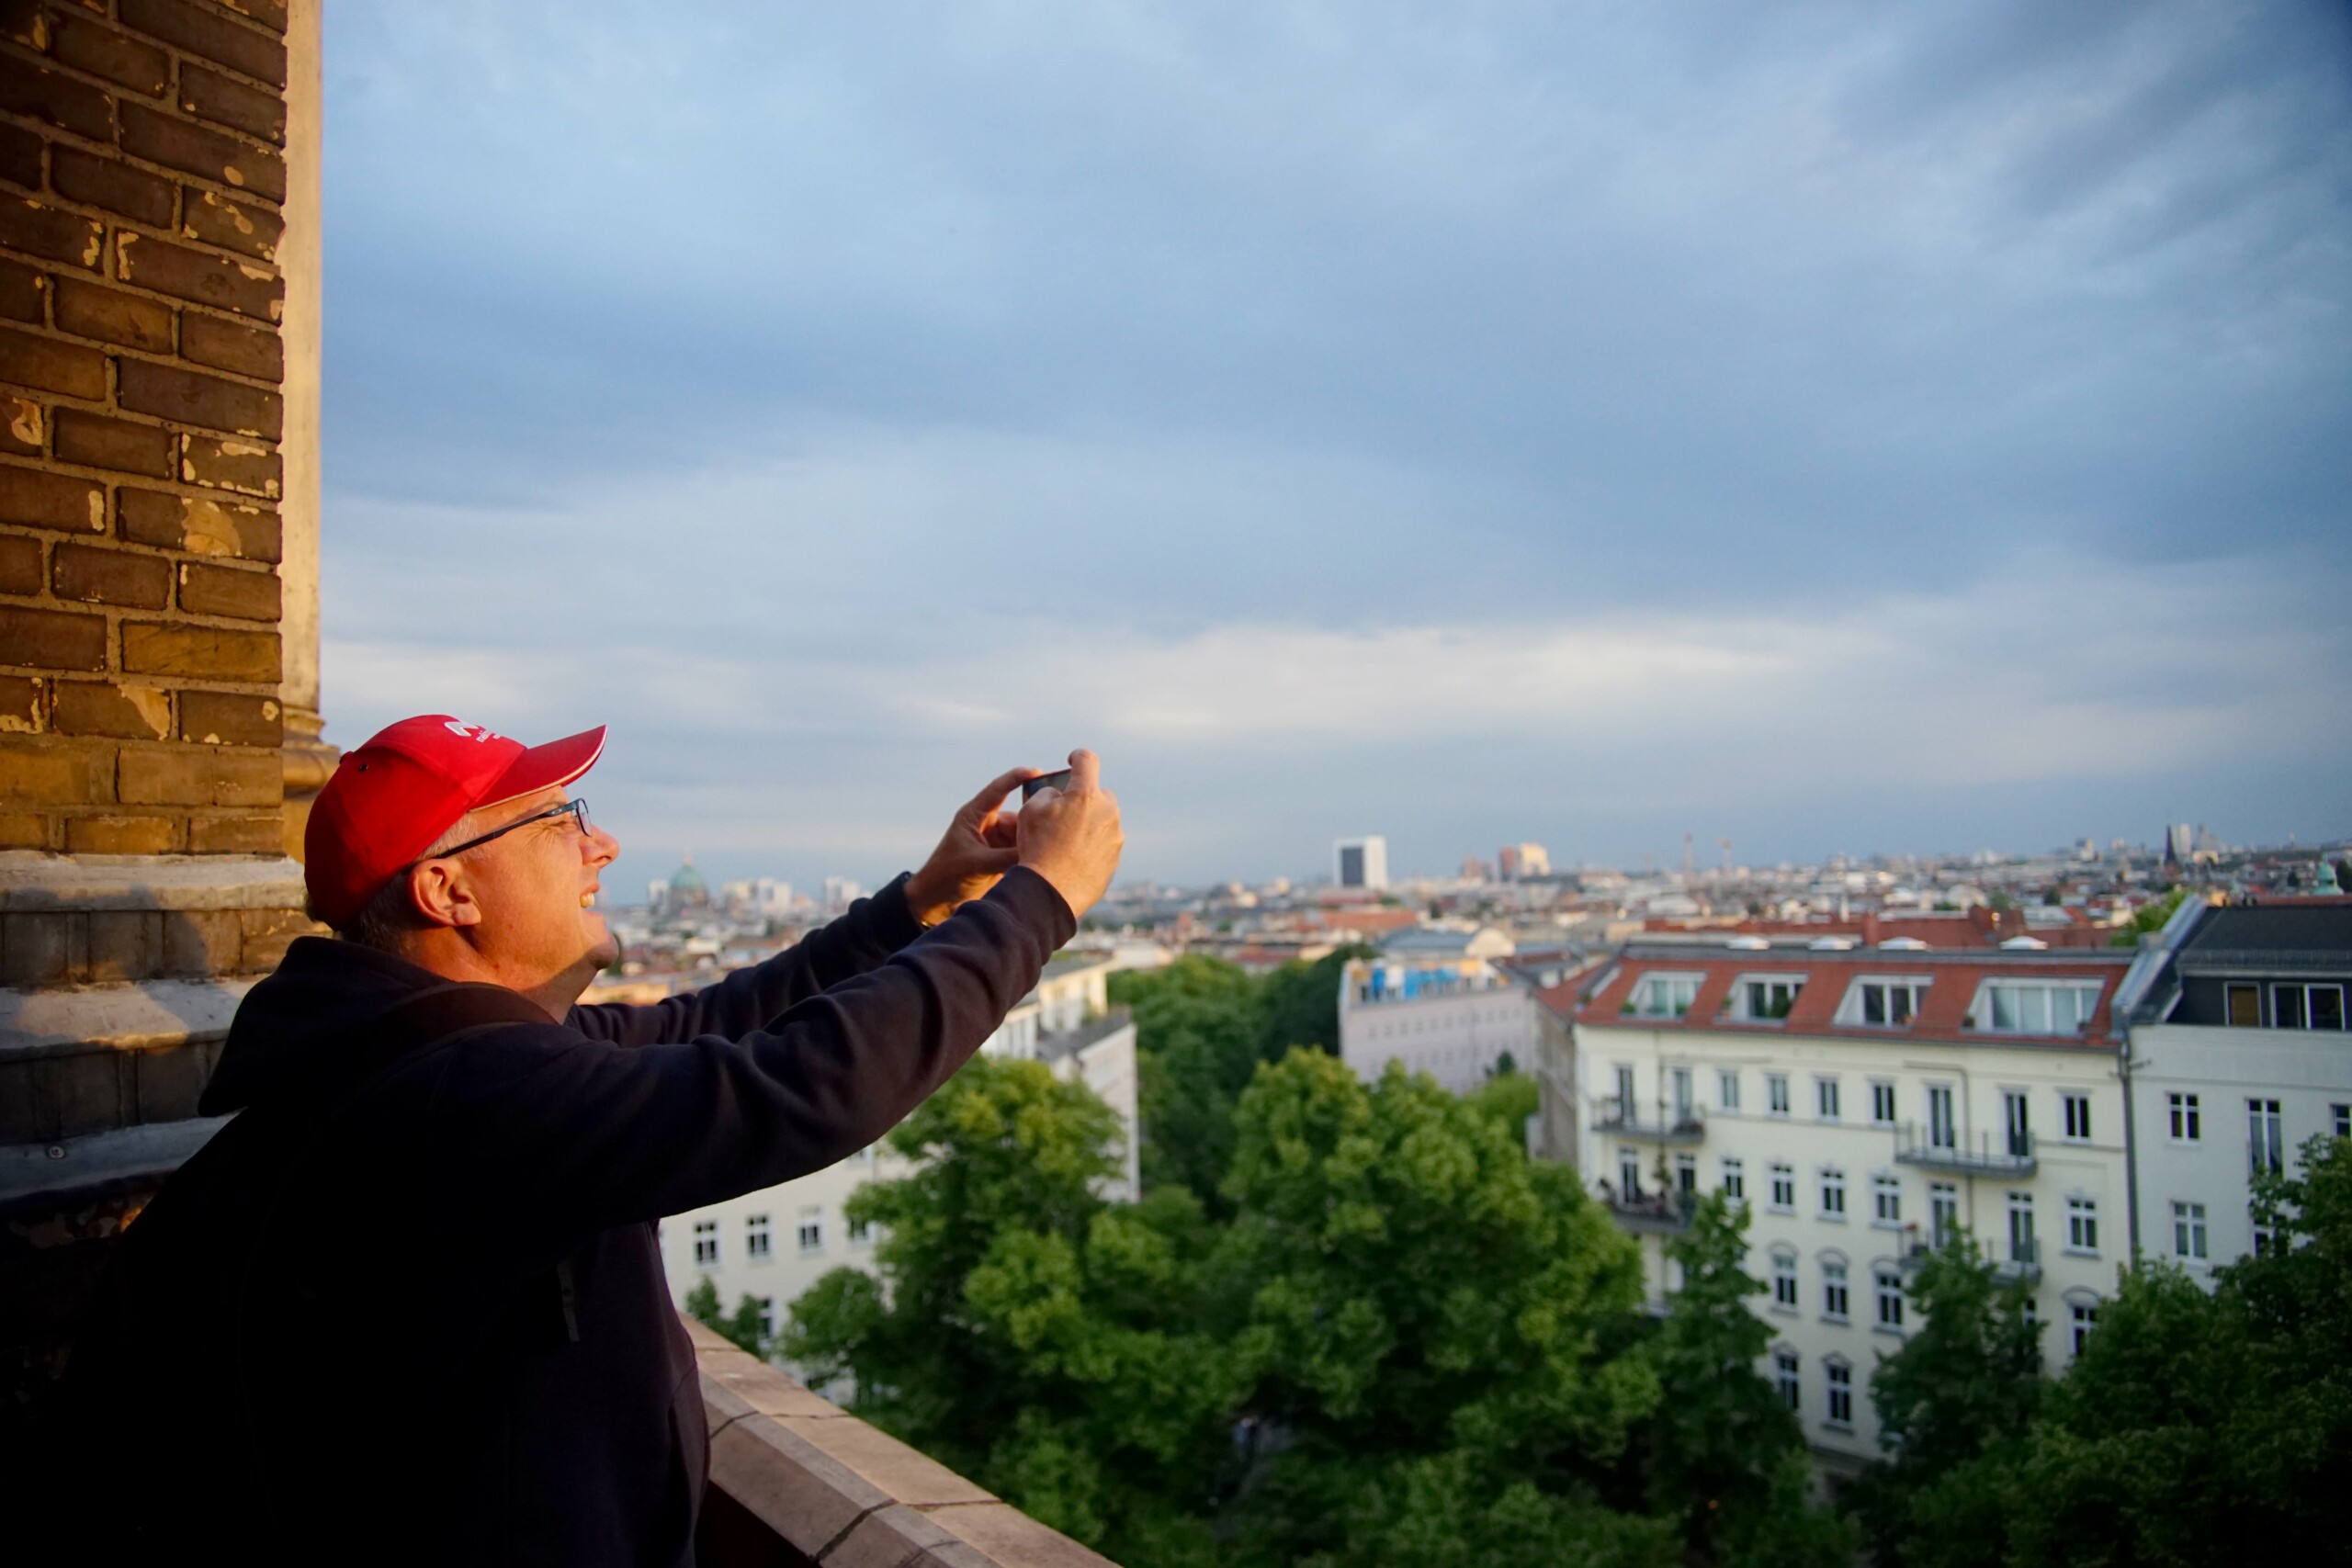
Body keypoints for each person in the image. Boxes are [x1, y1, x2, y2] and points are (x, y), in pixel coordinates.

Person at [55, 714, 1122, 1566]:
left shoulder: (422, 1056)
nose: (601, 843)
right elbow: (798, 1089)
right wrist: (1040, 900)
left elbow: (710, 1025)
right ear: (448, 889)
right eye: (561, 820)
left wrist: (920, 902)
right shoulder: (460, 1098)